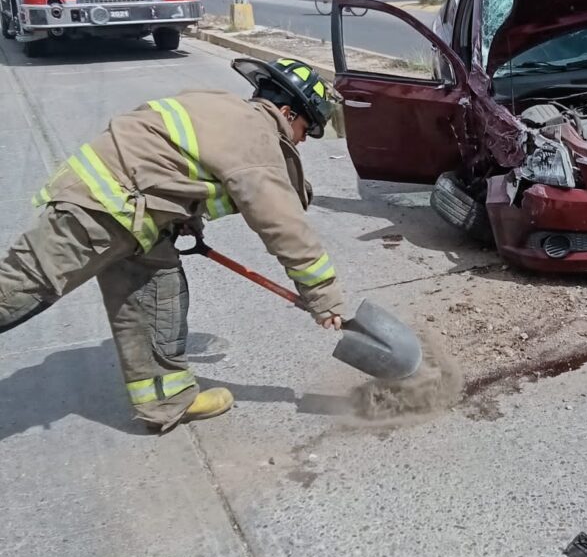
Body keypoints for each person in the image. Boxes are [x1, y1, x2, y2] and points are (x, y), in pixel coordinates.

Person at [0, 58, 346, 432]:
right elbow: (285, 227)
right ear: (286, 111)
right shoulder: (257, 138)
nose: (303, 139)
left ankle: (165, 400)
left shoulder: (225, 109)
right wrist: (324, 297)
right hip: (98, 208)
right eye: (306, 128)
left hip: (136, 213)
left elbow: (176, 164)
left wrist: (183, 216)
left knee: (157, 292)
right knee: (18, 288)